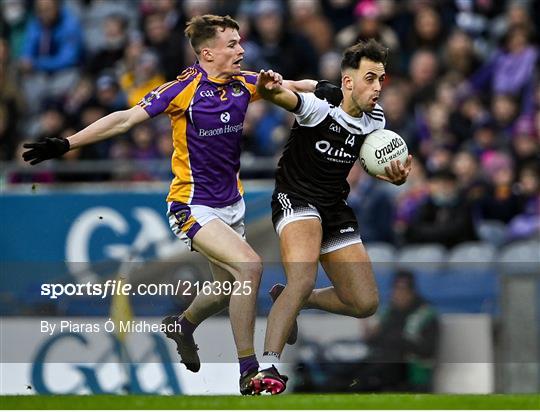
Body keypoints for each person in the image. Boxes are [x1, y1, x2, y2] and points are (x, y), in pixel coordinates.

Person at [22, 14, 339, 395]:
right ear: (207, 53)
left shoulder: (243, 83)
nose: (241, 50)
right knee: (250, 267)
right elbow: (125, 119)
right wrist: (66, 143)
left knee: (226, 290)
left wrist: (321, 88)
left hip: (231, 205)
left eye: (240, 43)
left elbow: (285, 85)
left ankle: (182, 325)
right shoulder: (182, 89)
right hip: (192, 205)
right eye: (232, 44)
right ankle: (249, 370)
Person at [253, 39, 412, 389]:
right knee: (303, 277)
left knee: (365, 302)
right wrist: (270, 90)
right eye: (370, 78)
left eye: (382, 79)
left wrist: (393, 177)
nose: (378, 87)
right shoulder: (317, 108)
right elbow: (289, 96)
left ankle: (293, 300)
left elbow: (371, 164)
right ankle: (267, 369)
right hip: (296, 200)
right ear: (349, 81)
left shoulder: (376, 121)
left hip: (334, 208)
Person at [353, 270, 440, 392]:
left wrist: (398, 340)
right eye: (396, 289)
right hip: (384, 364)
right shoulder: (390, 313)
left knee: (365, 379)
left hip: (408, 370)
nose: (398, 294)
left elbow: (427, 350)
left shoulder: (426, 314)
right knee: (350, 373)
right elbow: (374, 341)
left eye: (402, 289)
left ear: (412, 291)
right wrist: (369, 333)